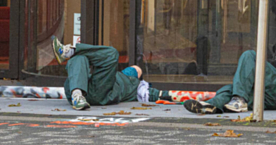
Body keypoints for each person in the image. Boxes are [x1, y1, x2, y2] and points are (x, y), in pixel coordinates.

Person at [50, 37, 188, 109]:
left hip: (98, 92)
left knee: (111, 54)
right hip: (84, 87)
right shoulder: (129, 83)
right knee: (80, 59)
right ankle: (77, 94)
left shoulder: (134, 85)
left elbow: (158, 95)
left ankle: (71, 51)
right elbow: (160, 95)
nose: (134, 70)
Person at [183, 49, 276, 114]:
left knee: (250, 55)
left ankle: (239, 99)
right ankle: (210, 105)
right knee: (230, 89)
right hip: (270, 100)